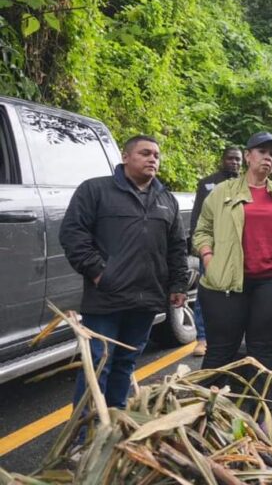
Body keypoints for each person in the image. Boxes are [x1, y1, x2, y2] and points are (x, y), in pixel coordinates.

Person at [60, 135, 188, 411]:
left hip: (147, 298)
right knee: (98, 364)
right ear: (126, 157)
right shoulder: (95, 191)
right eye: (145, 153)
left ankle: (115, 423)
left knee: (125, 363)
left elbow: (177, 246)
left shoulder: (166, 200)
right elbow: (73, 233)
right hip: (106, 296)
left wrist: (178, 284)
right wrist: (98, 273)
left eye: (156, 154)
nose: (153, 158)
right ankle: (84, 434)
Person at [192, 132, 272, 396]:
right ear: (248, 156)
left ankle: (256, 414)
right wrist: (209, 258)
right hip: (227, 282)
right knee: (221, 350)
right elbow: (201, 230)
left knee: (262, 349)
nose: (268, 158)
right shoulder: (222, 192)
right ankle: (203, 415)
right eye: (262, 151)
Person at [188, 146, 242, 357]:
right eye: (230, 159)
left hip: (237, 250)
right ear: (222, 160)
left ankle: (232, 337)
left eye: (238, 160)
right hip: (211, 249)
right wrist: (199, 247)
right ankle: (202, 338)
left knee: (236, 294)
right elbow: (197, 217)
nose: (234, 163)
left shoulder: (246, 184)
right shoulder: (208, 183)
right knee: (206, 294)